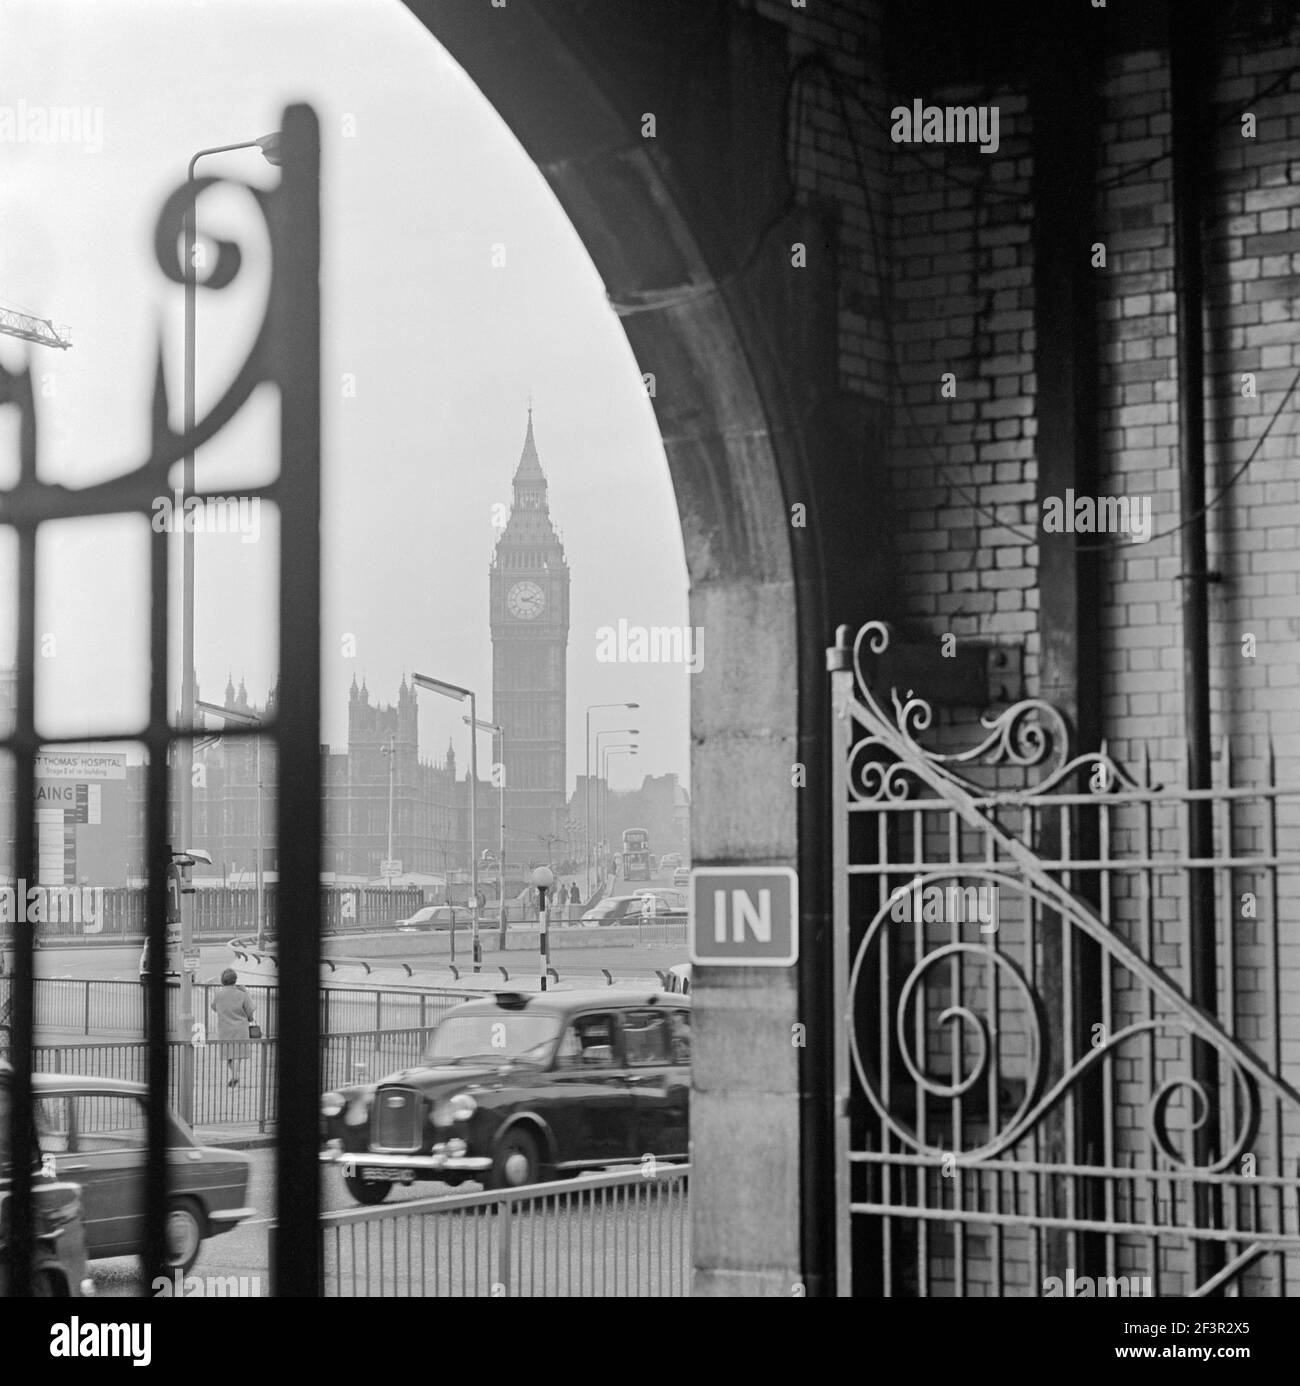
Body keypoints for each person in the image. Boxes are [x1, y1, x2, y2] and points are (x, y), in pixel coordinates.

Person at [211, 968, 256, 1088]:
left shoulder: (218, 994)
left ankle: (235, 1075)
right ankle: (236, 1075)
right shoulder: (241, 994)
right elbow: (251, 1009)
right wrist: (246, 991)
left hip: (225, 1028)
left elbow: (214, 1007)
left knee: (229, 1055)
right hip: (240, 1029)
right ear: (235, 980)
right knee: (238, 1054)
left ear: (222, 980)